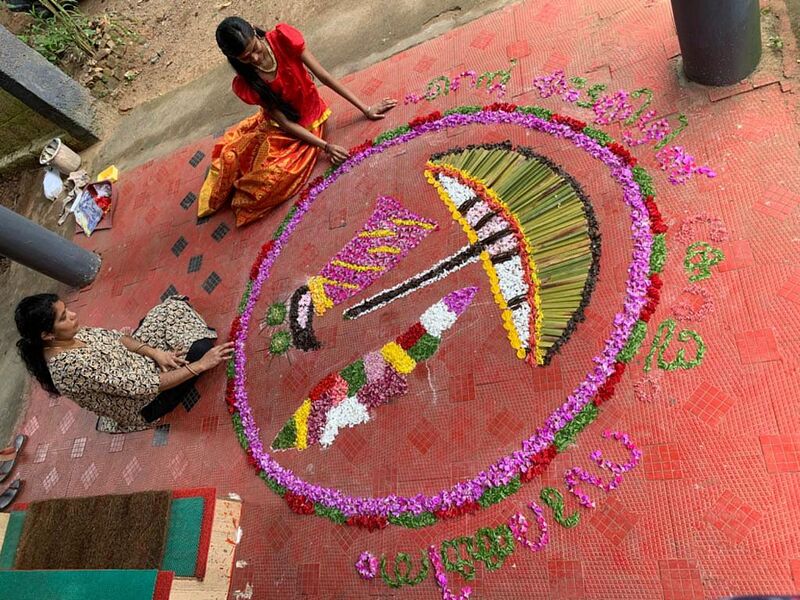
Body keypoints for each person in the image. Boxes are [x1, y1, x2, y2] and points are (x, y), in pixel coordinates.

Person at [198, 18, 396, 227]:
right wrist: (325, 147)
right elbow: (283, 123)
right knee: (257, 177)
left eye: (254, 48)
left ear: (255, 32)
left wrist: (366, 109)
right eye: (246, 58)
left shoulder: (283, 39)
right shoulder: (246, 82)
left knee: (272, 181)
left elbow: (325, 77)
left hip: (310, 115)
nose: (255, 58)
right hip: (285, 128)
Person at [15, 294, 235, 433]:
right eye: (63, 317)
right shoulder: (72, 367)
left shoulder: (67, 335)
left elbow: (118, 338)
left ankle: (176, 350)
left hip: (140, 364)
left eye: (67, 309)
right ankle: (194, 353)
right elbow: (147, 385)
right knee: (201, 350)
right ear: (46, 335)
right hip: (147, 401)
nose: (72, 315)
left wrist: (157, 354)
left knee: (171, 308)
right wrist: (201, 365)